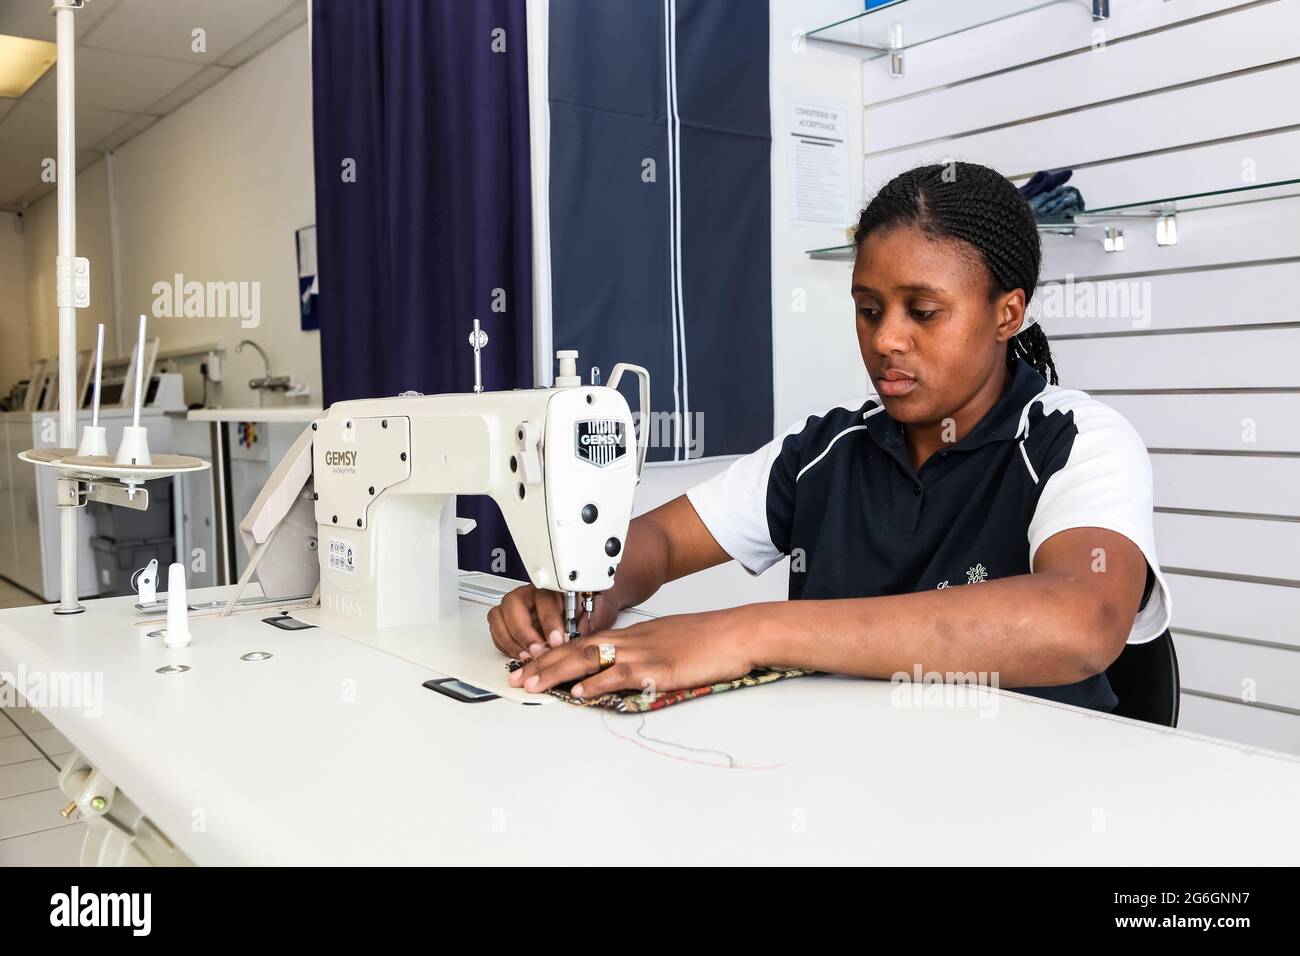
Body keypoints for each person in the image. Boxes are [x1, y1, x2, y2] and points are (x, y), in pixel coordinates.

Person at [488, 161, 1172, 712]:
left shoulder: (1078, 440)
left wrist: (753, 631)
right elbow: (661, 542)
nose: (885, 340)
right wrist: (583, 591)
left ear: (1007, 313)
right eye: (868, 310)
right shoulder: (826, 449)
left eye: (923, 312)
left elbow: (1079, 621)